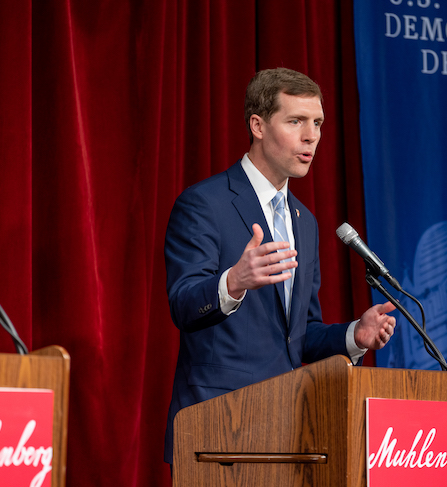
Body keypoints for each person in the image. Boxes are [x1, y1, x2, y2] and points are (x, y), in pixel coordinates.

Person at [163, 67, 396, 465]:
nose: (312, 137)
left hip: (289, 432)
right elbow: (183, 305)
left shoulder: (304, 221)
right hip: (217, 429)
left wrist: (356, 336)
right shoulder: (204, 204)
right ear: (257, 125)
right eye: (296, 121)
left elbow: (300, 337)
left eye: (318, 123)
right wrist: (232, 282)